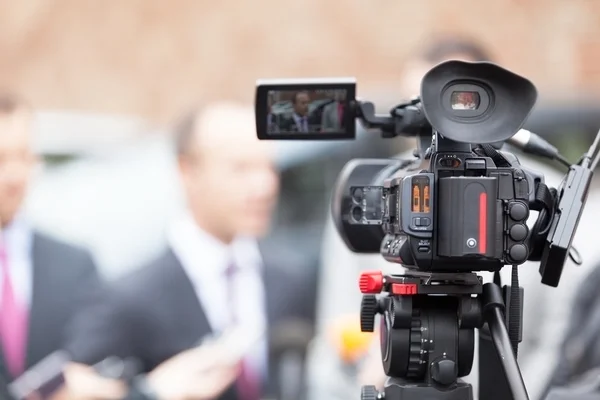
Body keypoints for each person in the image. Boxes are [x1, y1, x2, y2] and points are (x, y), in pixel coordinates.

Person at [306, 36, 600, 400]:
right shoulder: (370, 193)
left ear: (493, 105)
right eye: (418, 107)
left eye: (445, 104)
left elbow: (568, 343)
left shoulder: (543, 196)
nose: (437, 128)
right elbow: (332, 336)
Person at [63, 101, 315, 400]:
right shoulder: (125, 299)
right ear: (187, 171)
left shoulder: (291, 279)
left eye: (269, 167)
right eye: (241, 168)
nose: (265, 185)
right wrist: (151, 393)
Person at [0, 93, 100, 396]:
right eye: (1, 159)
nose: (15, 175)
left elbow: (96, 356)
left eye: (25, 156)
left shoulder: (76, 266)